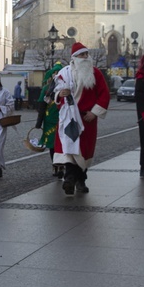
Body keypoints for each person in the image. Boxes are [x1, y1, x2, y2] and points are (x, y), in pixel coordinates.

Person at [54, 42, 110, 195]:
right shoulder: (64, 73)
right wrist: (60, 95)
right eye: (81, 55)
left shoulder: (95, 73)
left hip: (87, 118)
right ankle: (70, 180)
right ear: (74, 57)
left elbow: (104, 94)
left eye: (86, 54)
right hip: (68, 118)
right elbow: (55, 93)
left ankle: (80, 180)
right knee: (70, 150)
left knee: (82, 152)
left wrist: (95, 112)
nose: (85, 57)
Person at [36, 62, 64, 178]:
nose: (56, 75)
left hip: (62, 120)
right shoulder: (47, 89)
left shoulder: (66, 89)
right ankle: (55, 164)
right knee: (52, 145)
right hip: (49, 121)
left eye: (59, 72)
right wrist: (38, 122)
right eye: (55, 73)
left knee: (62, 144)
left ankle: (62, 165)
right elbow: (42, 107)